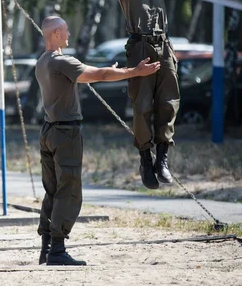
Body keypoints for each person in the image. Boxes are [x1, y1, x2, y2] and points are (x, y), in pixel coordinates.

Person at [36, 16, 160, 266]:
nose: (70, 32)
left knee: (52, 190)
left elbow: (93, 72)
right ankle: (57, 251)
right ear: (57, 33)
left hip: (49, 131)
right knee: (68, 190)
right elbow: (100, 75)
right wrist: (134, 72)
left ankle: (47, 248)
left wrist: (113, 71)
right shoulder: (61, 61)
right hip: (65, 133)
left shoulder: (43, 61)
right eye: (67, 29)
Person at [102, 0, 190, 189]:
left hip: (164, 45)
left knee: (169, 103)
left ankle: (162, 159)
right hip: (140, 46)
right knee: (142, 105)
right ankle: (145, 158)